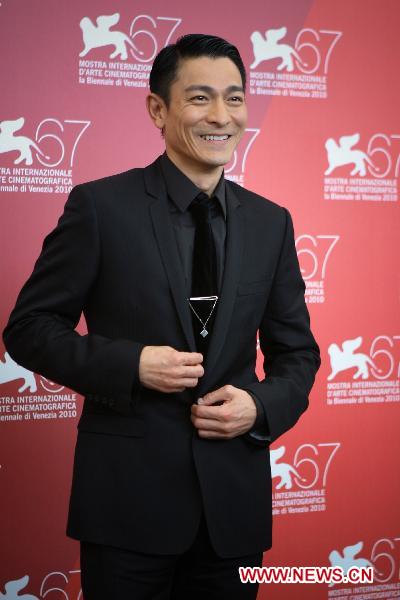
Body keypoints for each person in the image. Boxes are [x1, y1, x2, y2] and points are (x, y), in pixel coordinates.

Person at [3, 34, 321, 599]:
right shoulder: (100, 207)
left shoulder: (271, 223)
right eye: (200, 98)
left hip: (233, 512)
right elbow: (29, 329)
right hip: (126, 507)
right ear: (158, 108)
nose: (221, 117)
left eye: (235, 98)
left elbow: (297, 355)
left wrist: (259, 405)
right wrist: (131, 364)